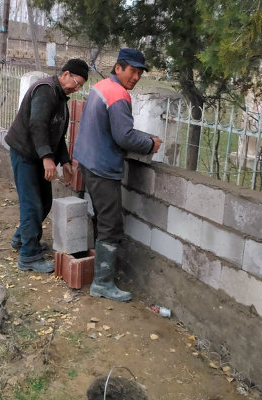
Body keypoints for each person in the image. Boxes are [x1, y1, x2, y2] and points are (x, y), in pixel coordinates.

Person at [74, 49, 163, 302]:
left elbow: (113, 127)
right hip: (103, 167)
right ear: (118, 68)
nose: (136, 77)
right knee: (111, 224)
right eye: (132, 71)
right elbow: (124, 136)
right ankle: (102, 283)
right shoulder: (119, 94)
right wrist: (150, 144)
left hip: (88, 162)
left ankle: (99, 270)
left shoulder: (101, 87)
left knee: (102, 217)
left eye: (140, 73)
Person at [5, 58, 89, 273]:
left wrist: (65, 161)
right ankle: (29, 256)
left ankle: (22, 239)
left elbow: (57, 134)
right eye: (77, 83)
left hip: (37, 155)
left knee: (44, 201)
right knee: (32, 204)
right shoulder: (45, 90)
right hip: (25, 154)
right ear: (66, 74)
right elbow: (38, 125)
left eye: (80, 87)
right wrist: (46, 157)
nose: (77, 89)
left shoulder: (59, 97)